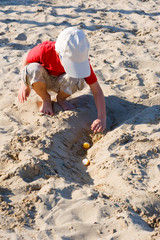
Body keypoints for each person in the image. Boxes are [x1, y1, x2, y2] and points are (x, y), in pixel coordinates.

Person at [18, 27, 106, 133]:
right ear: (58, 52)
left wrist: (102, 118)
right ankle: (46, 99)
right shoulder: (45, 49)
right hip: (44, 81)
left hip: (63, 84)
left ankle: (61, 99)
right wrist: (24, 85)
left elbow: (96, 90)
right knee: (32, 69)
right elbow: (26, 61)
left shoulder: (83, 61)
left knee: (77, 76)